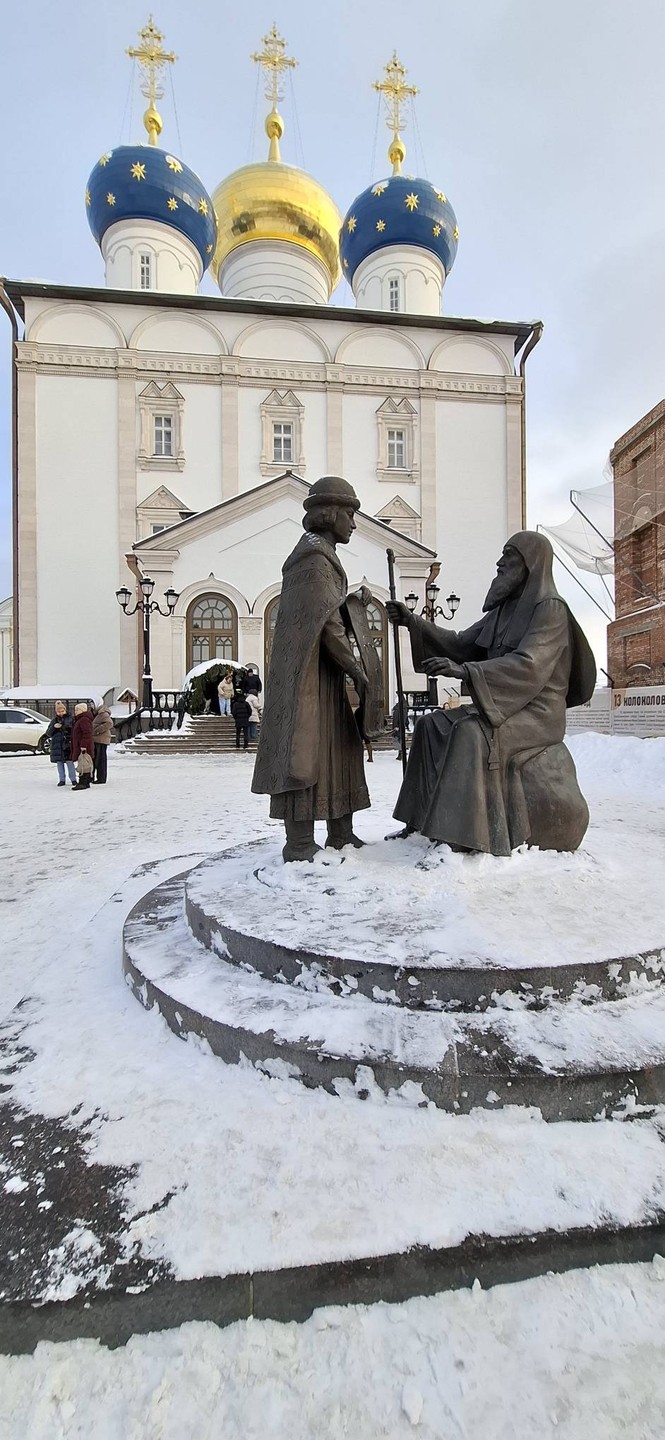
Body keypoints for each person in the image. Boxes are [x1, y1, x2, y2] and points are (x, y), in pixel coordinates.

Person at [386, 530, 596, 856]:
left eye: (509, 556)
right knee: (431, 726)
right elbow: (461, 643)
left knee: (470, 733)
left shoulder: (549, 608)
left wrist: (467, 671)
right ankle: (420, 823)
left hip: (537, 713)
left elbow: (530, 664)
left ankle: (462, 838)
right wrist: (413, 622)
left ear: (530, 564)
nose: (499, 563)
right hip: (505, 705)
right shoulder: (502, 611)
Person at [252, 475, 383, 862]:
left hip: (323, 679)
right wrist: (358, 670)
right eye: (349, 514)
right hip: (310, 680)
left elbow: (329, 612)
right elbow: (327, 626)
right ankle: (299, 843)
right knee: (305, 755)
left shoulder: (322, 555)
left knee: (339, 748)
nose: (354, 524)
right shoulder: (313, 558)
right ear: (329, 514)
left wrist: (353, 603)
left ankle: (341, 833)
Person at [45, 701, 76, 787]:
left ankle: (73, 779)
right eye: (59, 711)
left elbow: (73, 730)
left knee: (70, 762)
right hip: (57, 745)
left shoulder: (71, 719)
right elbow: (48, 733)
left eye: (62, 711)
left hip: (67, 744)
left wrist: (63, 726)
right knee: (60, 763)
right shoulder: (54, 720)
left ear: (65, 710)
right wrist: (54, 727)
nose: (61, 713)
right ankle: (62, 779)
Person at [70, 702, 95, 792]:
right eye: (75, 710)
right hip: (81, 745)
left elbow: (87, 733)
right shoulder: (80, 719)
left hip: (83, 746)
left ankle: (83, 782)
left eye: (77, 709)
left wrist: (83, 745)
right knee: (83, 762)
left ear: (82, 710)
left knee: (84, 763)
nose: (75, 711)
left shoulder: (84, 719)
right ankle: (86, 781)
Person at [92, 704, 113, 784]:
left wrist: (97, 730)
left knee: (101, 760)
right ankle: (97, 777)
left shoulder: (103, 713)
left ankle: (101, 778)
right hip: (97, 739)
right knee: (96, 759)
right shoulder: (96, 713)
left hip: (101, 739)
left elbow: (109, 723)